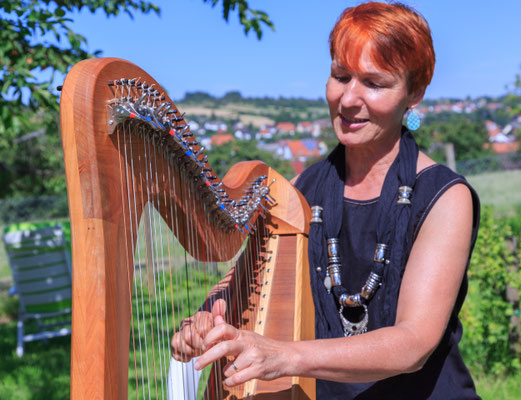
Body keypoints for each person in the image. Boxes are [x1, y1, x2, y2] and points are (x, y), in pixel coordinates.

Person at [171, 2, 481, 398]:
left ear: (414, 93)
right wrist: (202, 319)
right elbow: (238, 280)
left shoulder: (443, 196)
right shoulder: (302, 188)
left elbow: (413, 343)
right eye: (340, 76)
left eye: (374, 83)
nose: (349, 99)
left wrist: (285, 356)